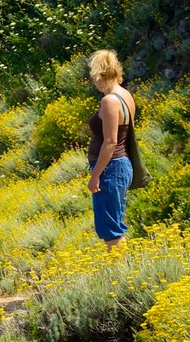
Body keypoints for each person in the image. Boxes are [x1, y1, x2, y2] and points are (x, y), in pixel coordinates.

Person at [86, 49, 135, 247]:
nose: (94, 81)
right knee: (115, 223)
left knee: (111, 229)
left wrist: (95, 175)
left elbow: (110, 142)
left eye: (94, 76)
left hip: (111, 168)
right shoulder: (125, 95)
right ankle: (123, 271)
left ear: (100, 75)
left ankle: (118, 274)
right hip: (120, 166)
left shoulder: (109, 101)